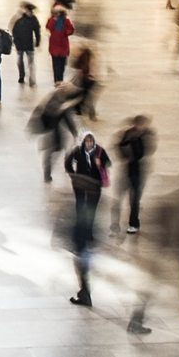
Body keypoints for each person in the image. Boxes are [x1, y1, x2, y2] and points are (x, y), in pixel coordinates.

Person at [65, 131, 110, 306]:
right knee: (81, 207)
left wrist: (100, 165)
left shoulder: (99, 151)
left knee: (83, 266)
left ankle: (85, 294)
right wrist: (72, 174)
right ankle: (85, 293)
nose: (89, 143)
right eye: (87, 140)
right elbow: (68, 162)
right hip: (81, 184)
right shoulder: (77, 152)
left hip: (93, 187)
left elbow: (106, 163)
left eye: (91, 140)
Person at [114, 116, 152, 235]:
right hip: (127, 171)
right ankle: (119, 222)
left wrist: (136, 139)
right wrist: (124, 156)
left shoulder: (145, 136)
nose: (138, 128)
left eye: (140, 126)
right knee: (121, 198)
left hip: (139, 171)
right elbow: (119, 146)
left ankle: (133, 223)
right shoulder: (128, 134)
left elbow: (144, 152)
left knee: (134, 198)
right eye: (136, 125)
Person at [45, 6, 74, 83]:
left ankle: (60, 78)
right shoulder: (51, 20)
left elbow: (71, 29)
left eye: (59, 13)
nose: (57, 15)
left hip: (63, 45)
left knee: (62, 64)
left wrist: (66, 33)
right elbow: (48, 27)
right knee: (55, 64)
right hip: (54, 45)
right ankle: (56, 80)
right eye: (56, 13)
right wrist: (53, 20)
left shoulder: (66, 21)